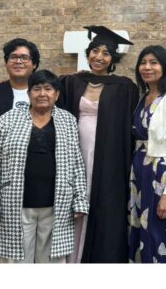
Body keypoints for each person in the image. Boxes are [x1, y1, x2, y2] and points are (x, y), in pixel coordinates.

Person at [0, 70, 89, 263]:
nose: (42, 94)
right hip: (15, 204)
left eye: (48, 89)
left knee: (52, 261)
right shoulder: (8, 118)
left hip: (57, 206)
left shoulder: (68, 121)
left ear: (56, 94)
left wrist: (80, 199)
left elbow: (77, 162)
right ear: (29, 93)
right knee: (15, 260)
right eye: (37, 89)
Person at [59, 25, 138, 263]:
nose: (99, 57)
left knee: (101, 198)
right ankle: (69, 257)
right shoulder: (71, 83)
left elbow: (128, 129)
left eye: (105, 53)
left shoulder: (124, 87)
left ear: (112, 58)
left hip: (108, 155)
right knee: (74, 197)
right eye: (95, 51)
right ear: (88, 53)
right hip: (76, 150)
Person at [128, 45, 166, 263]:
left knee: (160, 234)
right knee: (140, 232)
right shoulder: (142, 97)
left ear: (164, 67)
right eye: (143, 62)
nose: (147, 67)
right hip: (138, 173)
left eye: (154, 62)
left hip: (159, 175)